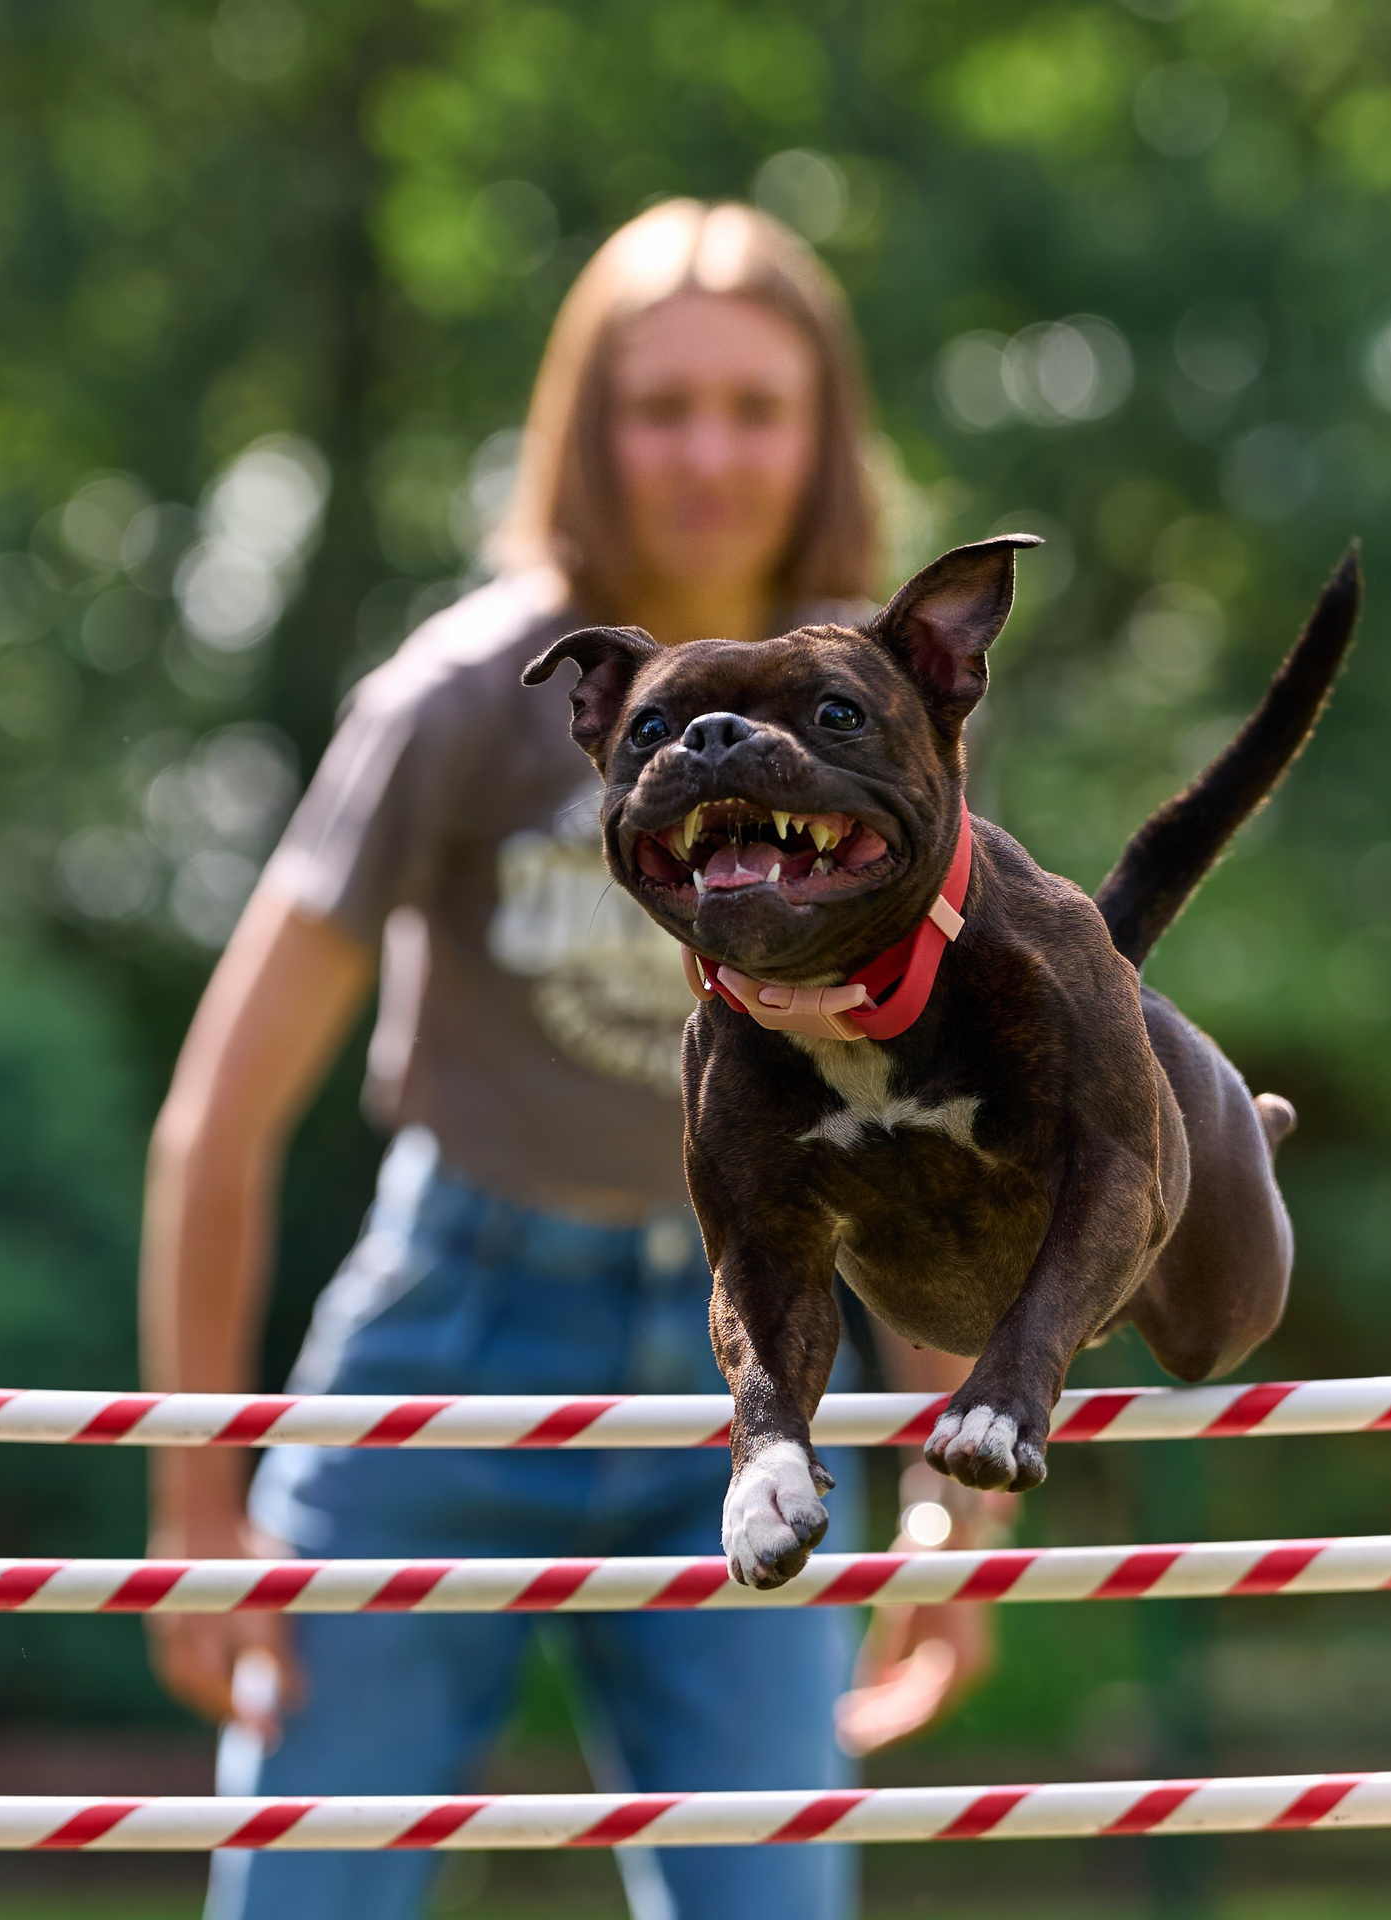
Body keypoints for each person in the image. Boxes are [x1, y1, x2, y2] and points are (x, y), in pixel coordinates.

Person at [142, 199, 1003, 1920]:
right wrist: (193, 1509)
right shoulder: (464, 698)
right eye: (660, 406)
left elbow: (918, 1118)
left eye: (755, 408)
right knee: (304, 1898)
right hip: (449, 1350)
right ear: (586, 431)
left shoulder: (881, 715)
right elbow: (219, 1117)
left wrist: (956, 1485)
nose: (708, 452)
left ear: (822, 434)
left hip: (761, 1379)